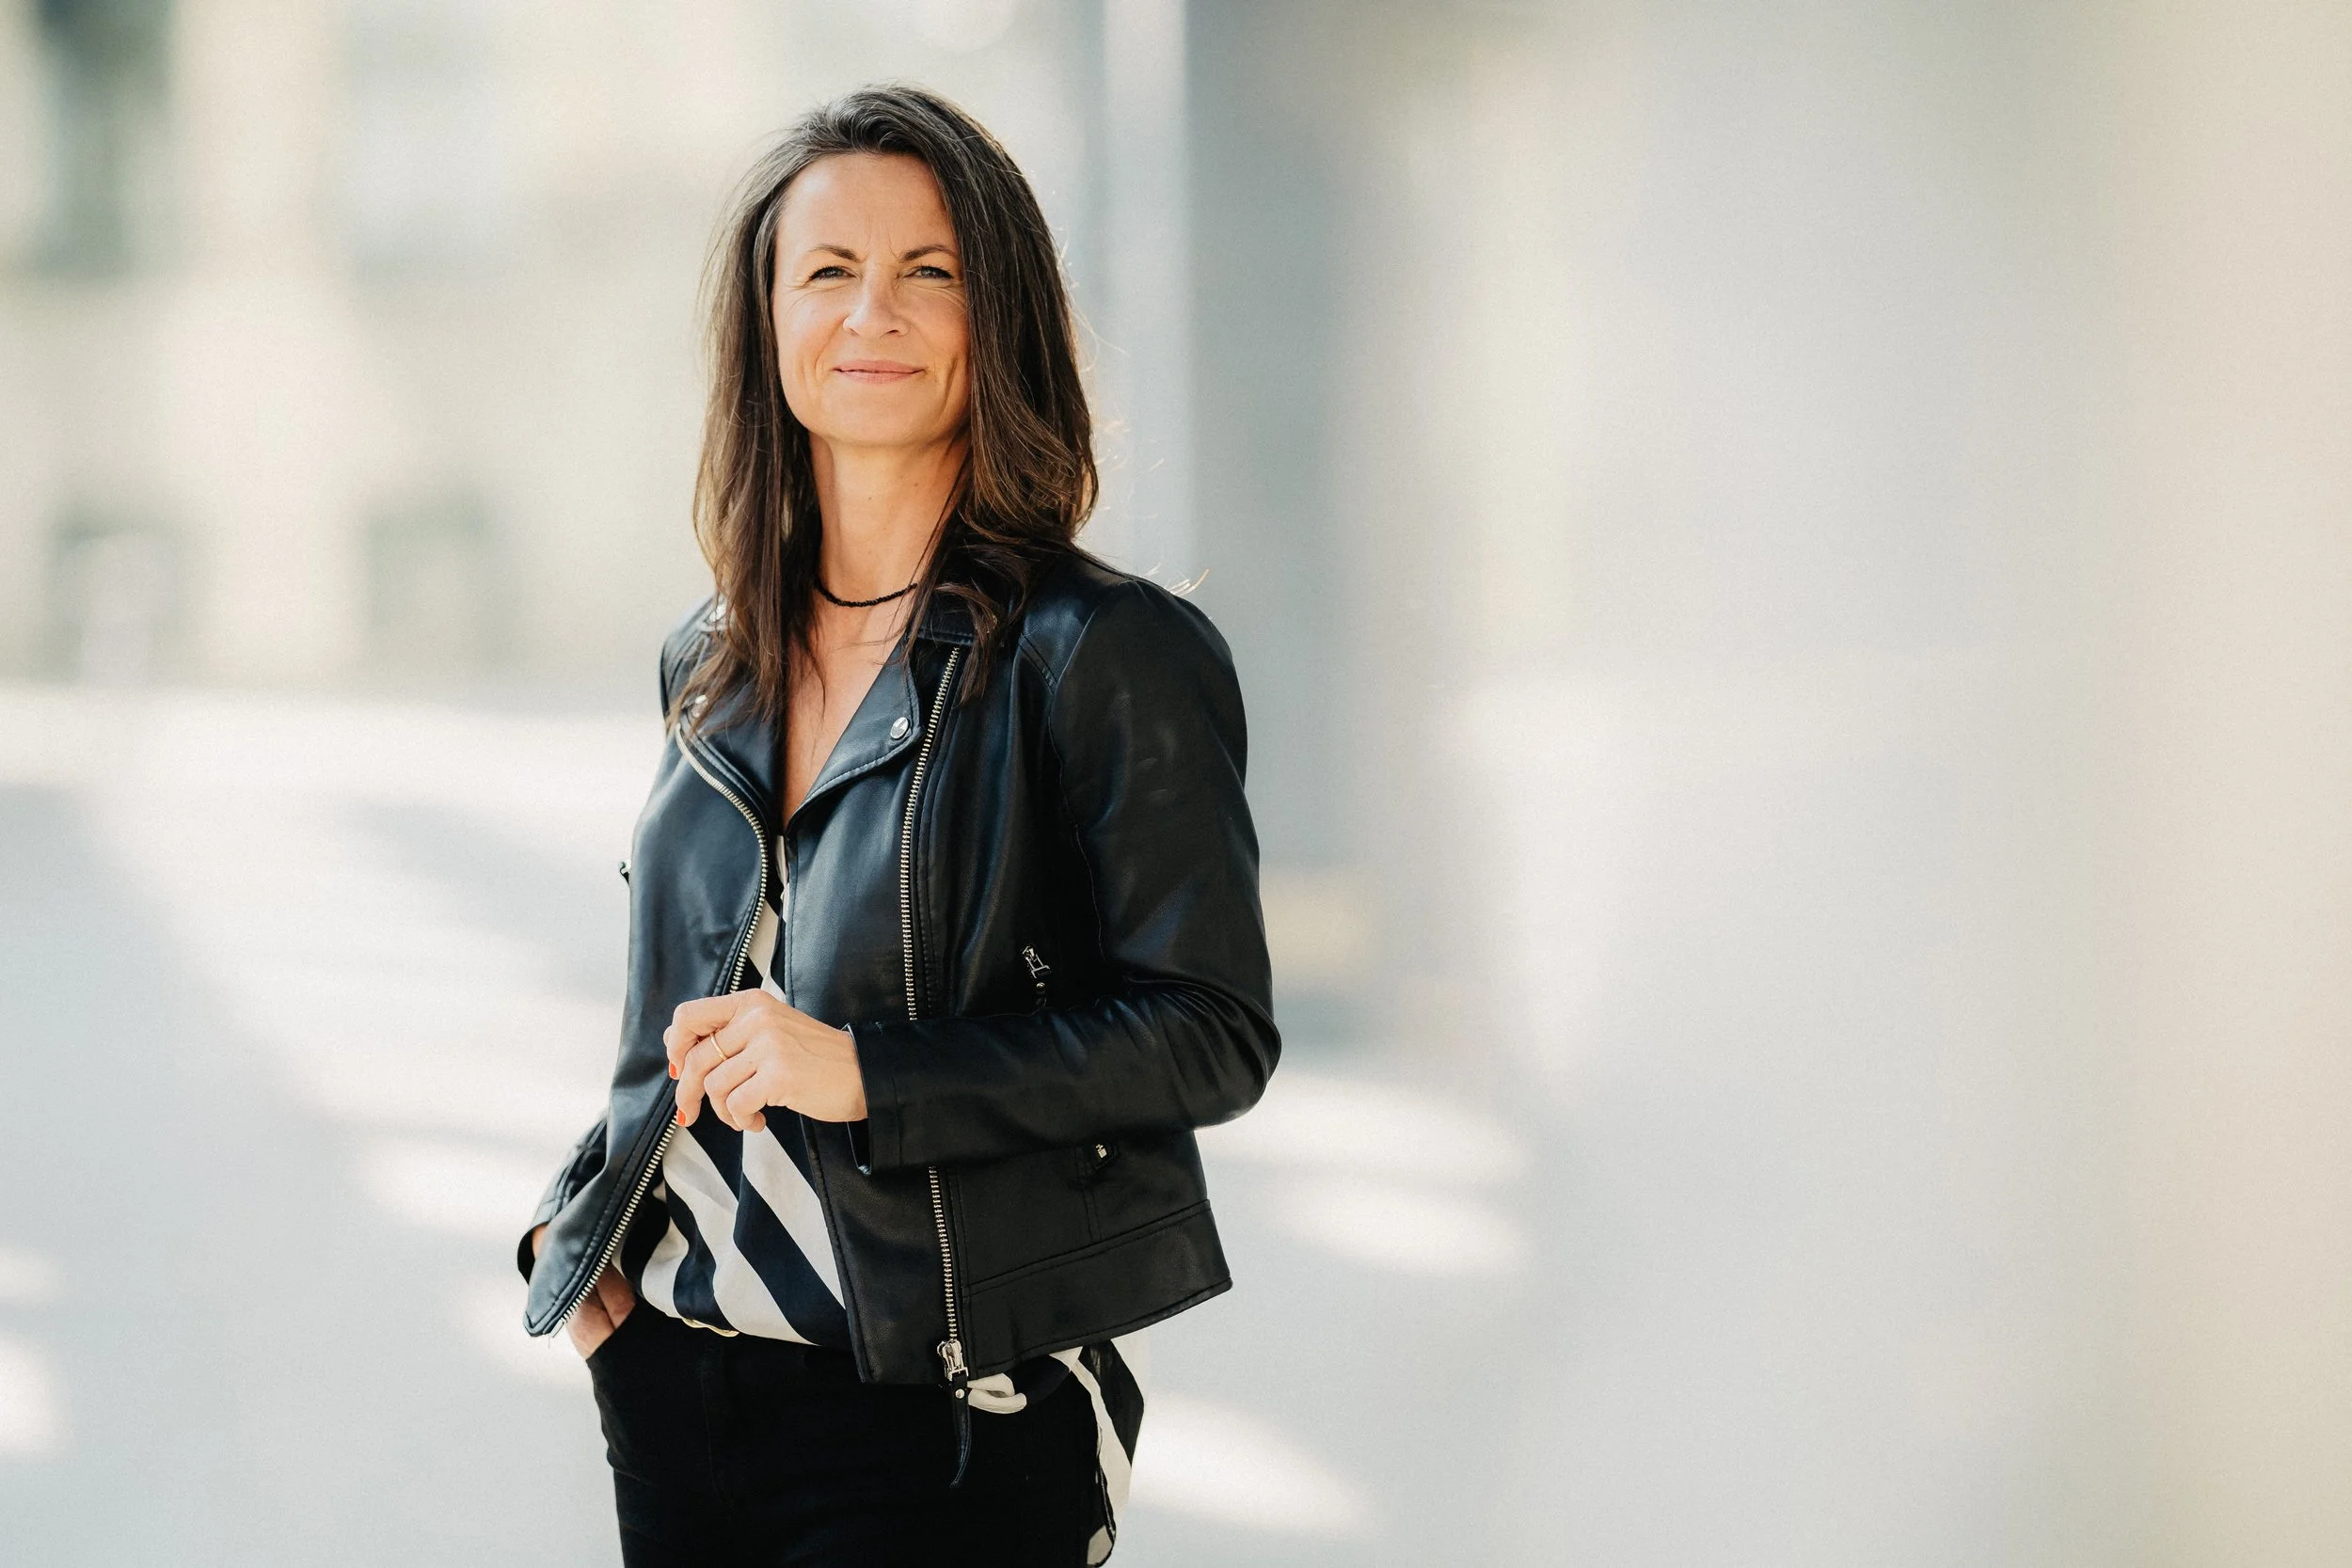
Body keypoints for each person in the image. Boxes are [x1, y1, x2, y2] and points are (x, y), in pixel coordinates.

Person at [516, 85, 1278, 1568]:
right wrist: (587, 1234)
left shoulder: (1100, 651)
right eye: (829, 271)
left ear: (997, 320)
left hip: (941, 1421)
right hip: (679, 1384)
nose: (875, 311)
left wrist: (869, 1074)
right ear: (768, 321)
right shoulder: (712, 657)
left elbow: (1210, 1031)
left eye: (928, 272)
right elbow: (689, 999)